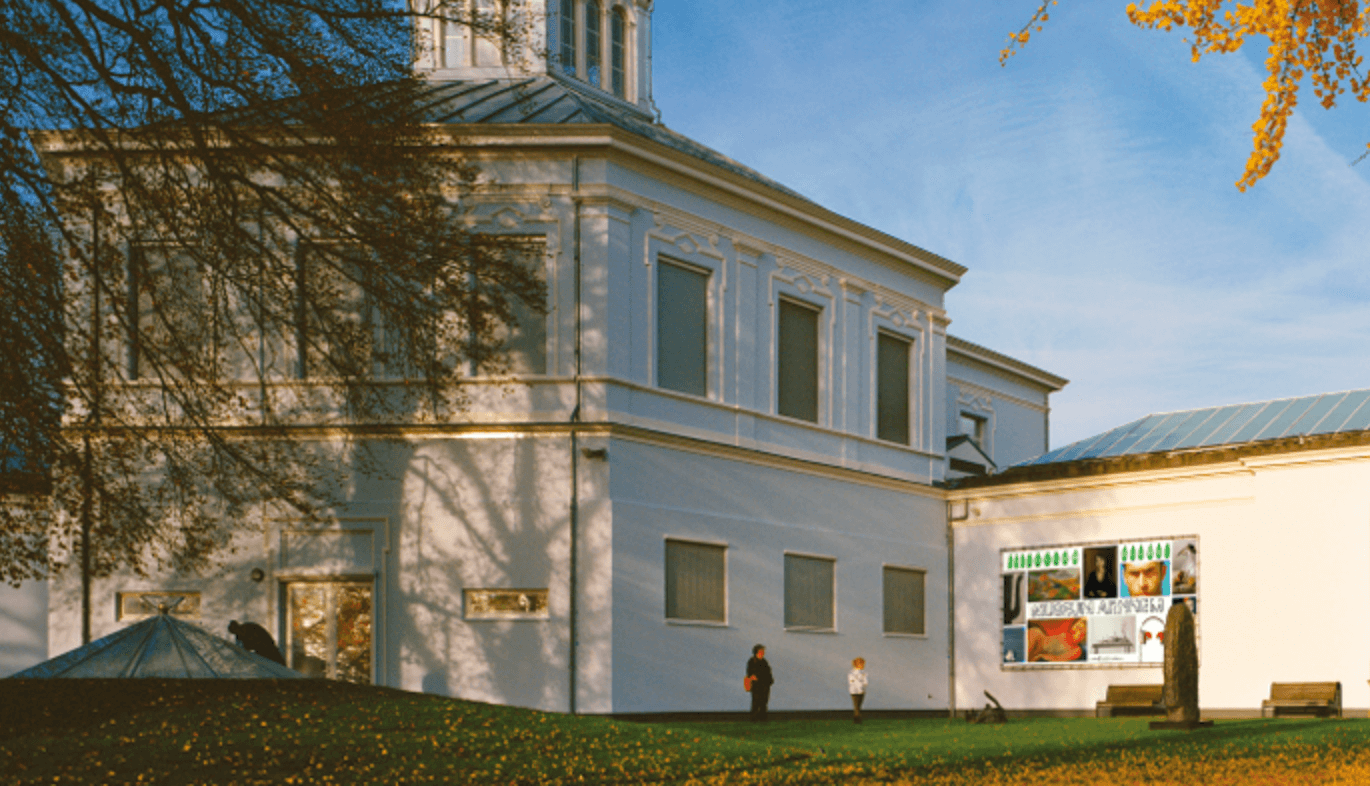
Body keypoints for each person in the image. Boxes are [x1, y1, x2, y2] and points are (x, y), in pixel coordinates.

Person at [745, 644, 774, 722]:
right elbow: (750, 672)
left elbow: (768, 672)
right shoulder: (752, 661)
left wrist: (770, 680)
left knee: (764, 702)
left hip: (765, 685)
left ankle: (763, 718)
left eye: (763, 651)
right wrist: (753, 677)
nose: (763, 652)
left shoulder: (764, 661)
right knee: (756, 702)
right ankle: (753, 718)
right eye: (762, 651)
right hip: (757, 685)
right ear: (757, 652)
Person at [848, 657, 868, 724]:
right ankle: (857, 719)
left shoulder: (863, 673)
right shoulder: (852, 673)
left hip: (861, 691)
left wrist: (863, 686)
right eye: (861, 664)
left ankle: (857, 718)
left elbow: (865, 682)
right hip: (854, 691)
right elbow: (852, 682)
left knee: (859, 705)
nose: (863, 666)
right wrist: (859, 687)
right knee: (856, 705)